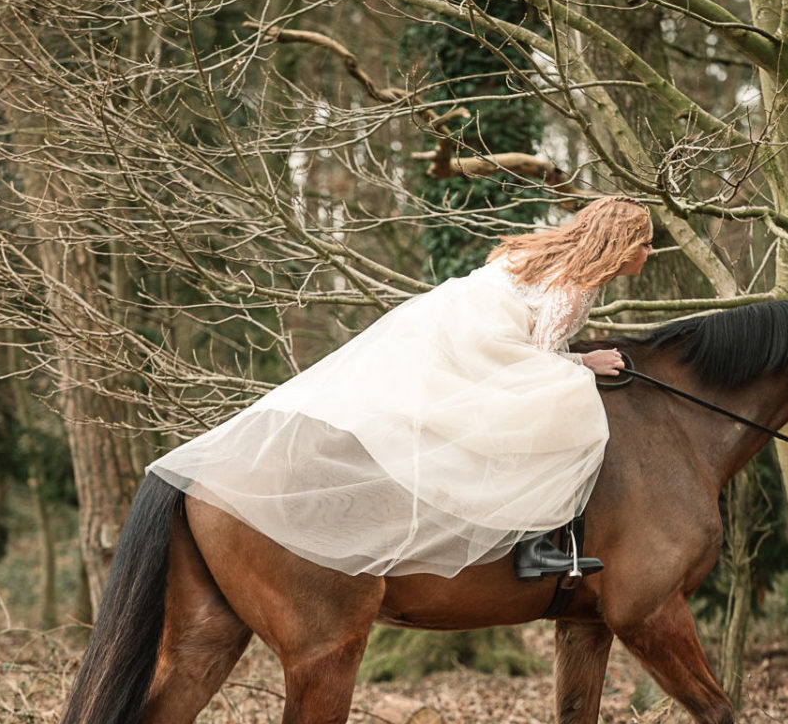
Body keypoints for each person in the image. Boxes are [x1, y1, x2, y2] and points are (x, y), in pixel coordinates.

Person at [147, 196, 655, 581]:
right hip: (484, 336)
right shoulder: (578, 283)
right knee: (560, 407)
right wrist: (583, 362)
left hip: (448, 318)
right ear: (619, 245)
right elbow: (541, 356)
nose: (649, 253)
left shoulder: (542, 250)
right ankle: (534, 545)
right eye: (644, 243)